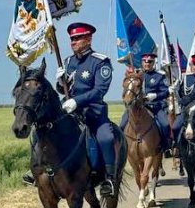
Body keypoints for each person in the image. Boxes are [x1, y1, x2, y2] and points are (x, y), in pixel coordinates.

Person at [23, 22, 117, 197]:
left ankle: (108, 179)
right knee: (42, 130)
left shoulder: (100, 61)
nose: (73, 42)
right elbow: (63, 89)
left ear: (88, 39)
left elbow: (100, 90)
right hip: (69, 111)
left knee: (106, 137)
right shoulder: (68, 62)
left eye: (78, 38)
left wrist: (77, 101)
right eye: (72, 39)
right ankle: (38, 170)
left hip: (93, 112)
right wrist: (61, 83)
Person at [119, 52, 170, 150]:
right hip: (137, 106)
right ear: (142, 62)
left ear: (154, 62)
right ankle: (123, 146)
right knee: (122, 124)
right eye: (145, 62)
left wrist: (154, 96)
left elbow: (166, 92)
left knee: (165, 124)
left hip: (155, 106)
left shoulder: (160, 76)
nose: (147, 64)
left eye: (150, 62)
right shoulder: (137, 74)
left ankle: (165, 146)